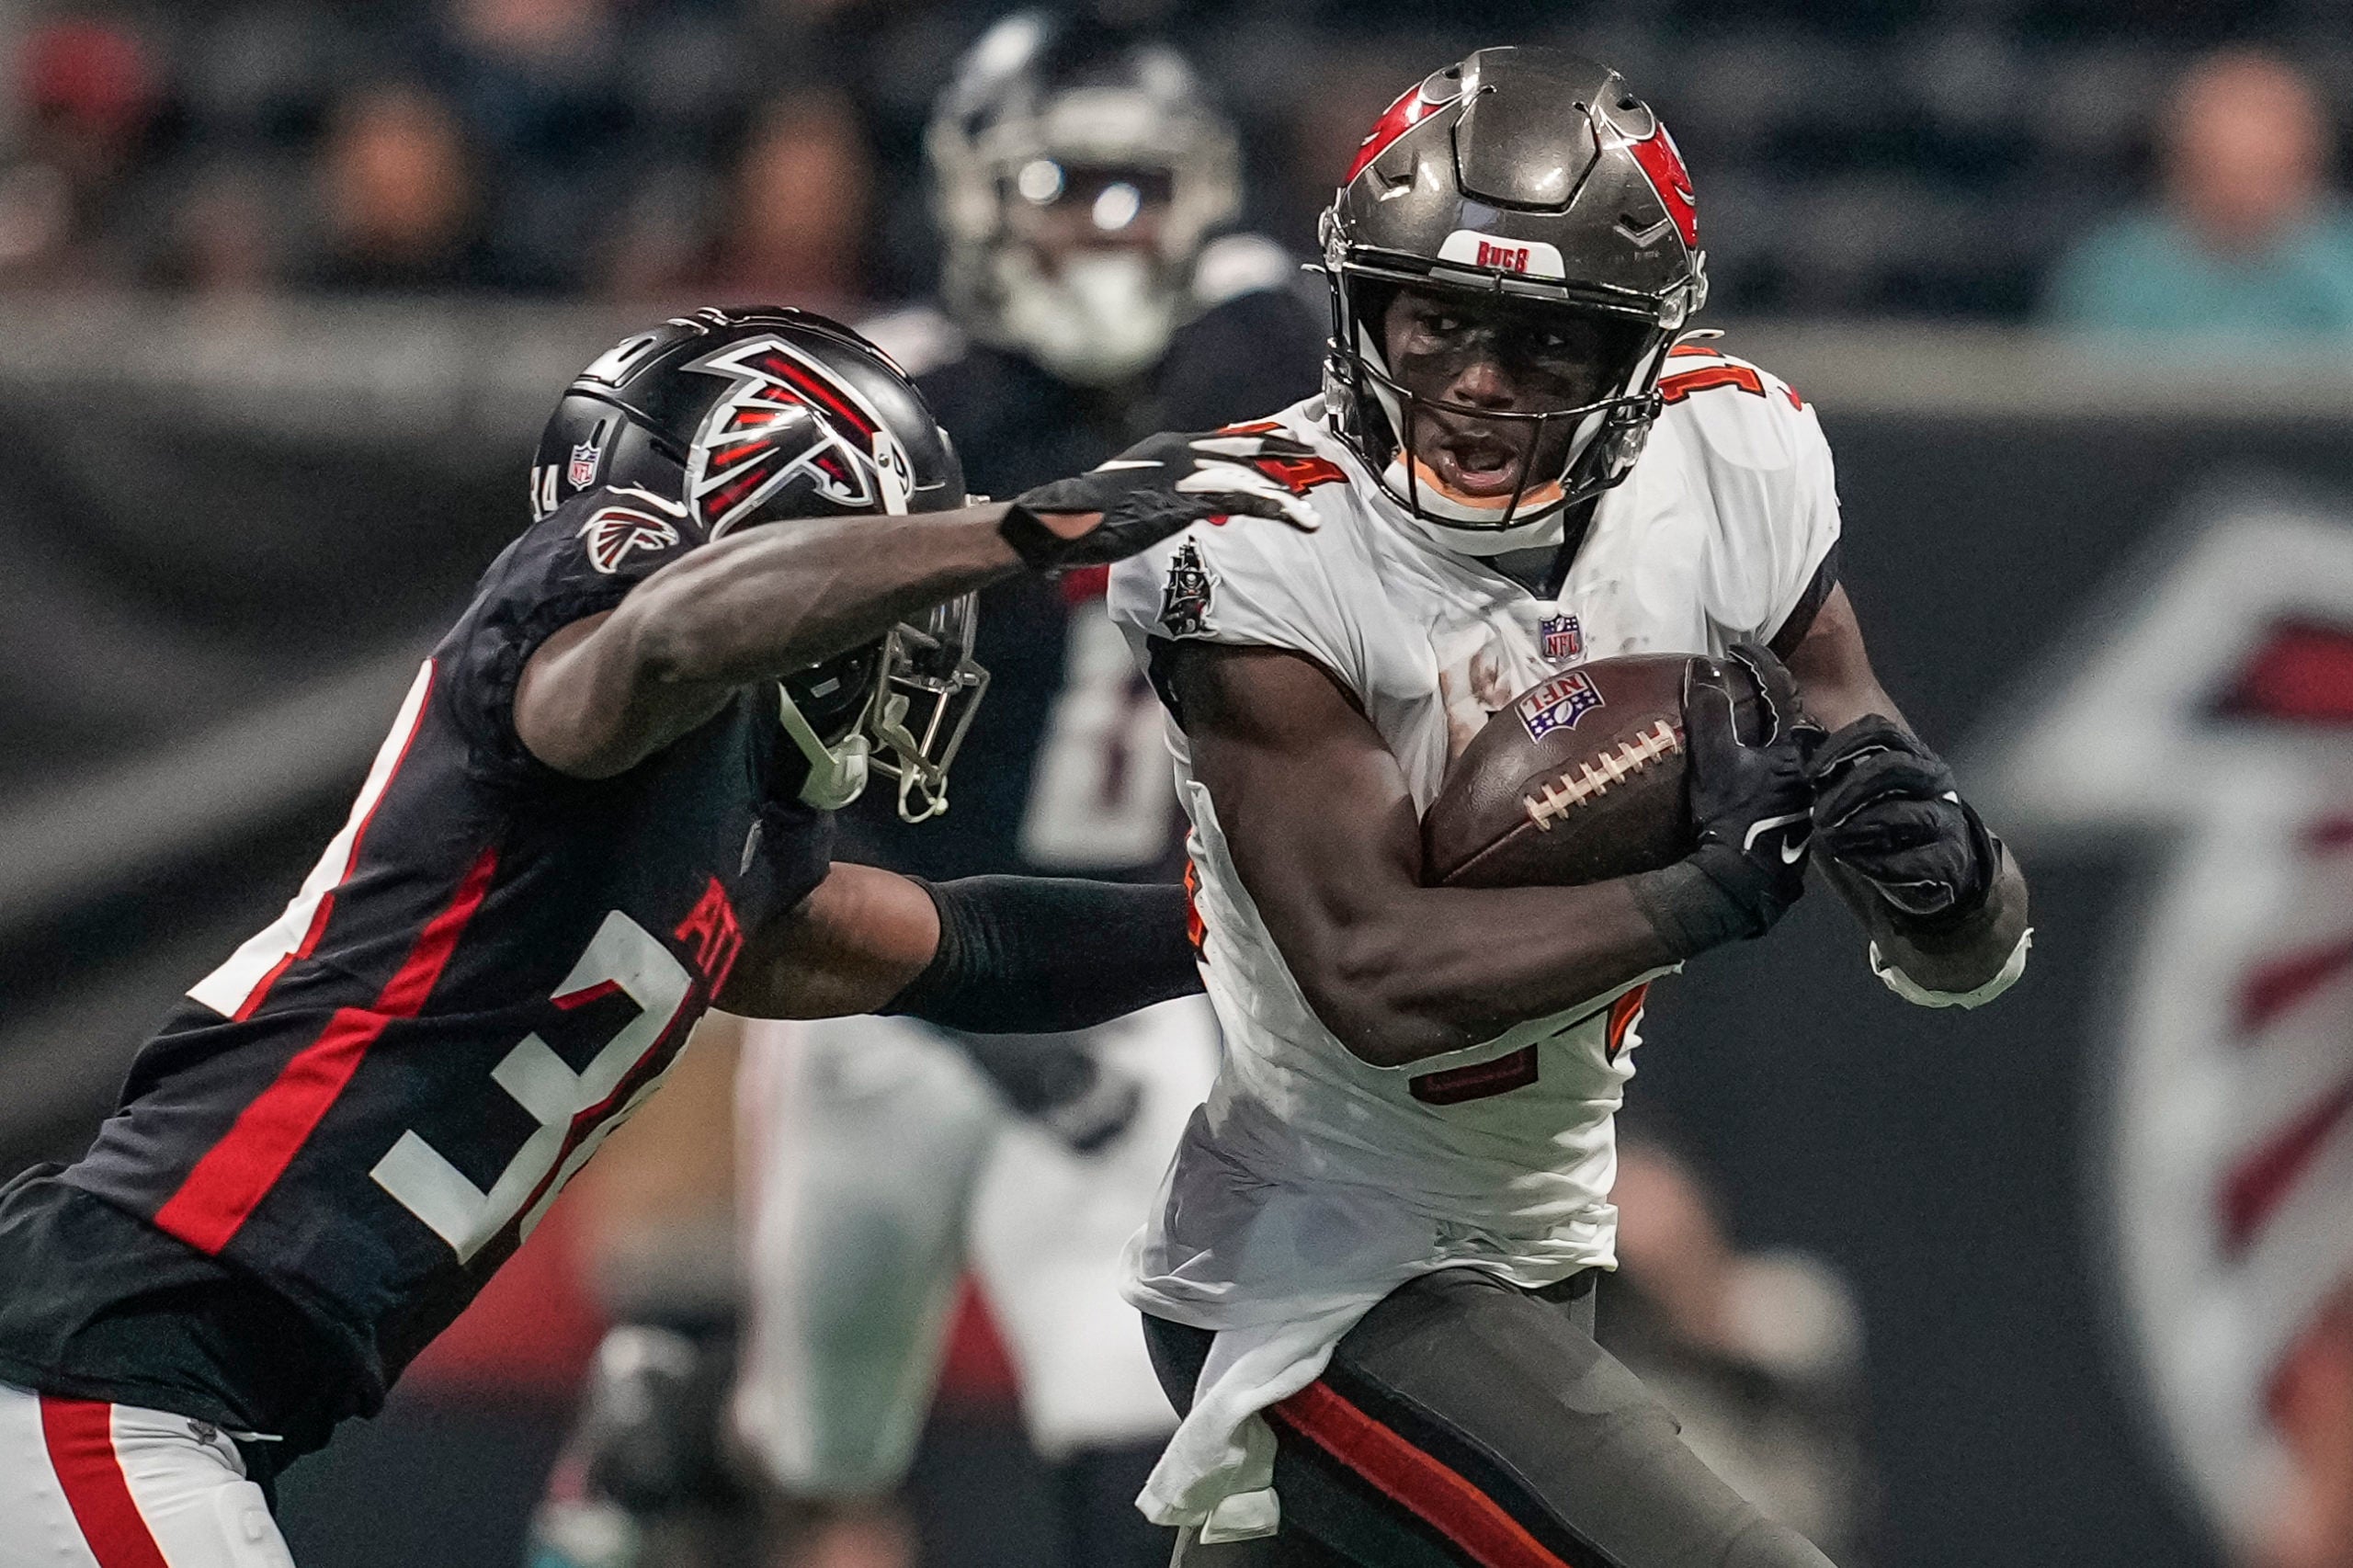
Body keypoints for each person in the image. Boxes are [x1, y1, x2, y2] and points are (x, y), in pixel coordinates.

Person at [0, 303, 1319, 1567]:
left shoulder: (732, 832)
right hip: (98, 1369)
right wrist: (1026, 527)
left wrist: (1282, 922)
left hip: (161, 1392)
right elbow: (671, 633)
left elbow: (968, 946)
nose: (911, 627)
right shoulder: (596, 629)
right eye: (884, 567)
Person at [1096, 48, 2034, 1566]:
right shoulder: (1262, 543)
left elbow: (1921, 872)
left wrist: (1955, 886)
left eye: (1539, 341)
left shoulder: (1727, 459)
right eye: (1437, 315)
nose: (1473, 378)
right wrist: (1700, 894)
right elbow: (1371, 977)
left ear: (1638, 359)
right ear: (1360, 309)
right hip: (1322, 1276)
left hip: (1534, 1246)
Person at [526, 17, 1326, 1568]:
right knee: (813, 1445)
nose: (1107, 227)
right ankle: (652, 1454)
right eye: (1062, 183)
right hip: (879, 984)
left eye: (1138, 188)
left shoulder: (1252, 360)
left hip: (1112, 979)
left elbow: (1308, 317)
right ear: (973, 196)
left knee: (1141, 1411)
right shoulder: (896, 415)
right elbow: (759, 762)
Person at [2044, 48, 2353, 343]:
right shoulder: (2112, 274)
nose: (2243, 196)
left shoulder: (2343, 263)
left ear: (2309, 166)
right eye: (2220, 169)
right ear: (2179, 165)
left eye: (2265, 171)